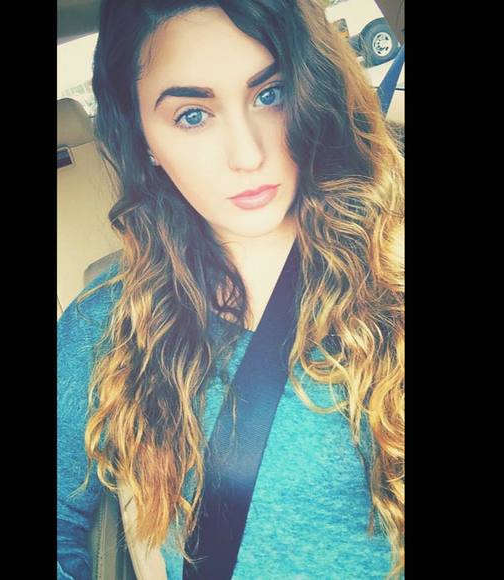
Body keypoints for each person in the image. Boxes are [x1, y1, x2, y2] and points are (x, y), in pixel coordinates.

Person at [57, 1, 405, 579]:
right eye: (193, 115)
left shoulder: (391, 265)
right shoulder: (107, 324)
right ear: (142, 137)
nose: (248, 154)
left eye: (270, 94)